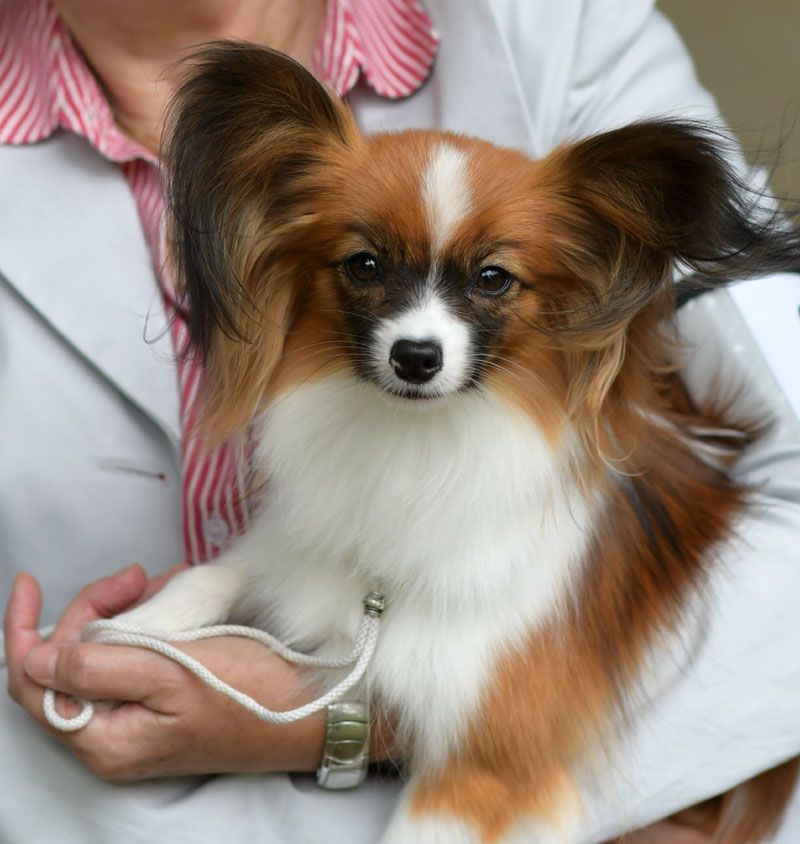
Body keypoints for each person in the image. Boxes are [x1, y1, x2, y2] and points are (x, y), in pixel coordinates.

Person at [1, 0, 799, 841]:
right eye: (366, 267)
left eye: (492, 280)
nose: (420, 333)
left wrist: (325, 719)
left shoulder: (561, 26)